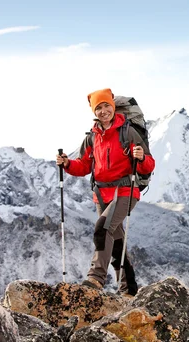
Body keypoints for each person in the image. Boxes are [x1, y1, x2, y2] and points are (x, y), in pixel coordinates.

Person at [56, 88, 155, 297]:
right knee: (117, 243)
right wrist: (66, 164)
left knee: (102, 228)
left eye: (106, 106)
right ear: (94, 112)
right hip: (102, 195)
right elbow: (83, 165)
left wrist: (141, 157)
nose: (103, 111)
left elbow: (148, 165)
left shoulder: (127, 132)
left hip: (126, 191)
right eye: (98, 108)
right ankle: (129, 290)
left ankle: (95, 278)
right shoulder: (92, 137)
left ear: (113, 106)